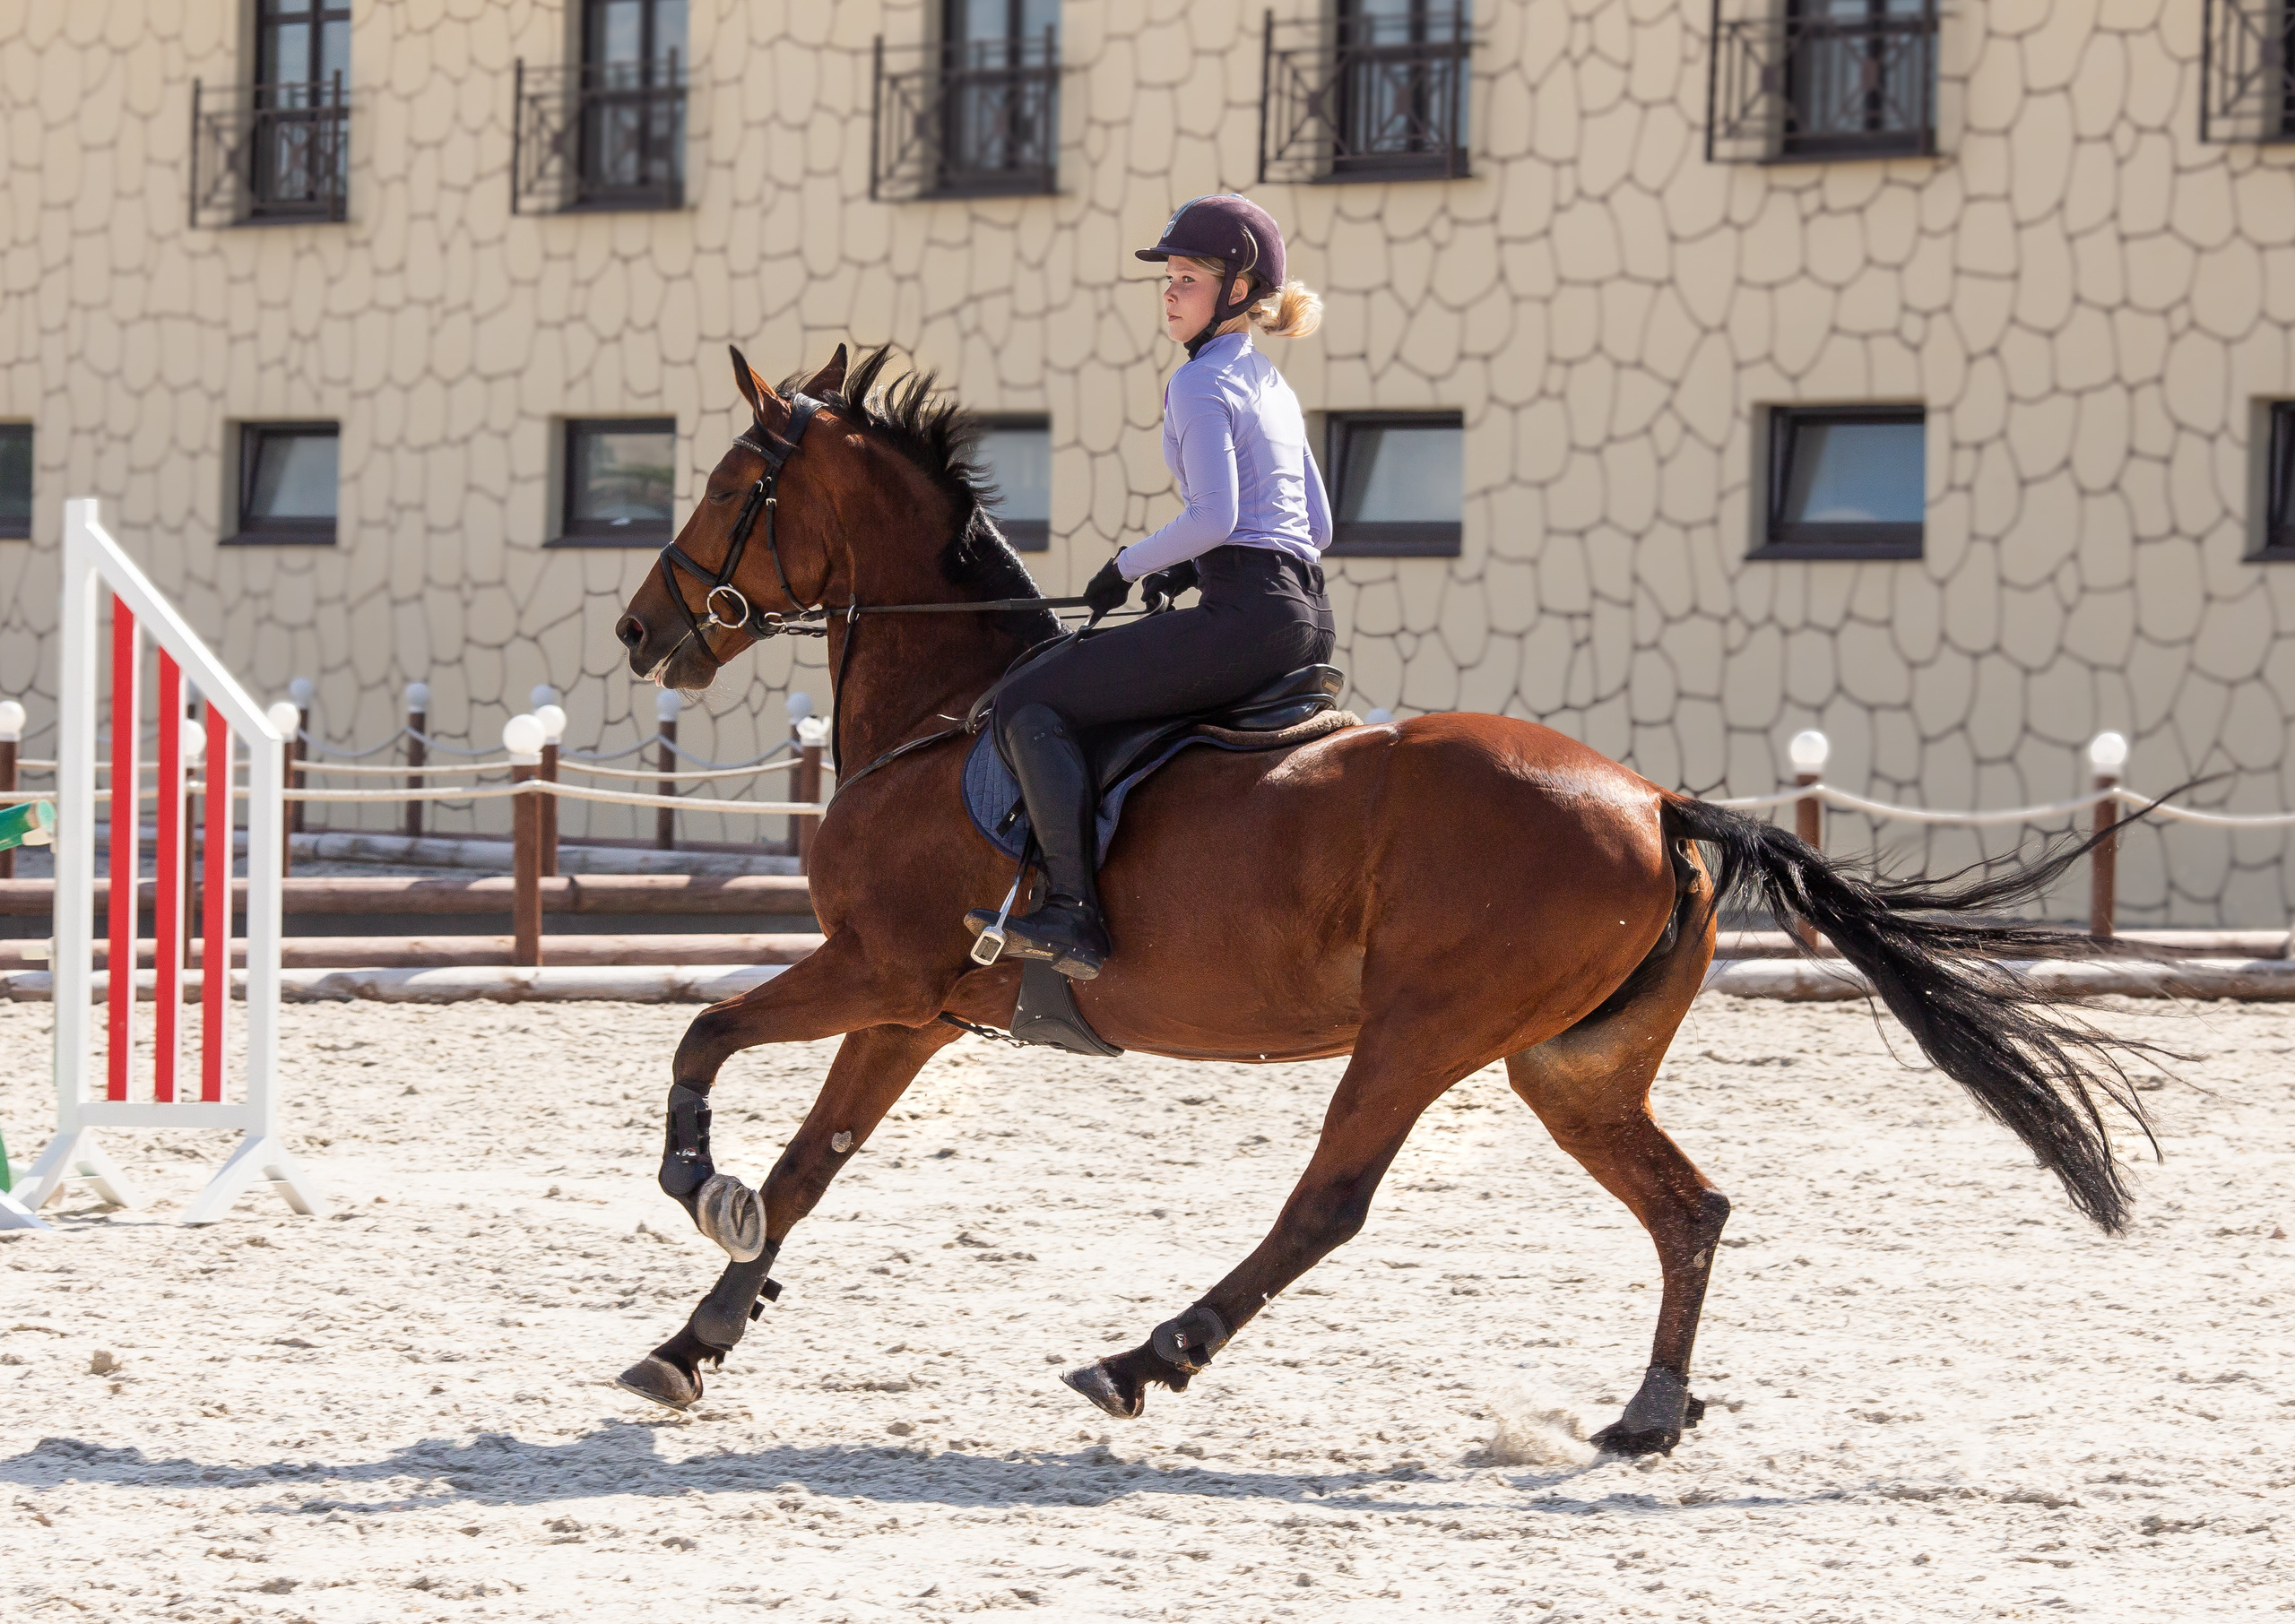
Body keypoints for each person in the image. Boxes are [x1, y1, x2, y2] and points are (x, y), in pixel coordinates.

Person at [970, 194, 1336, 981]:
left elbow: (1213, 515)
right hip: (1305, 616)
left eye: (1188, 278)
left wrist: (1126, 566)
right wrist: (1190, 565)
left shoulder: (1200, 385)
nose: (1169, 293)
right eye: (1167, 278)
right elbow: (1320, 525)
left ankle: (1073, 913)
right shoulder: (1270, 383)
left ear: (1236, 291)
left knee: (1025, 704)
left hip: (1244, 615)